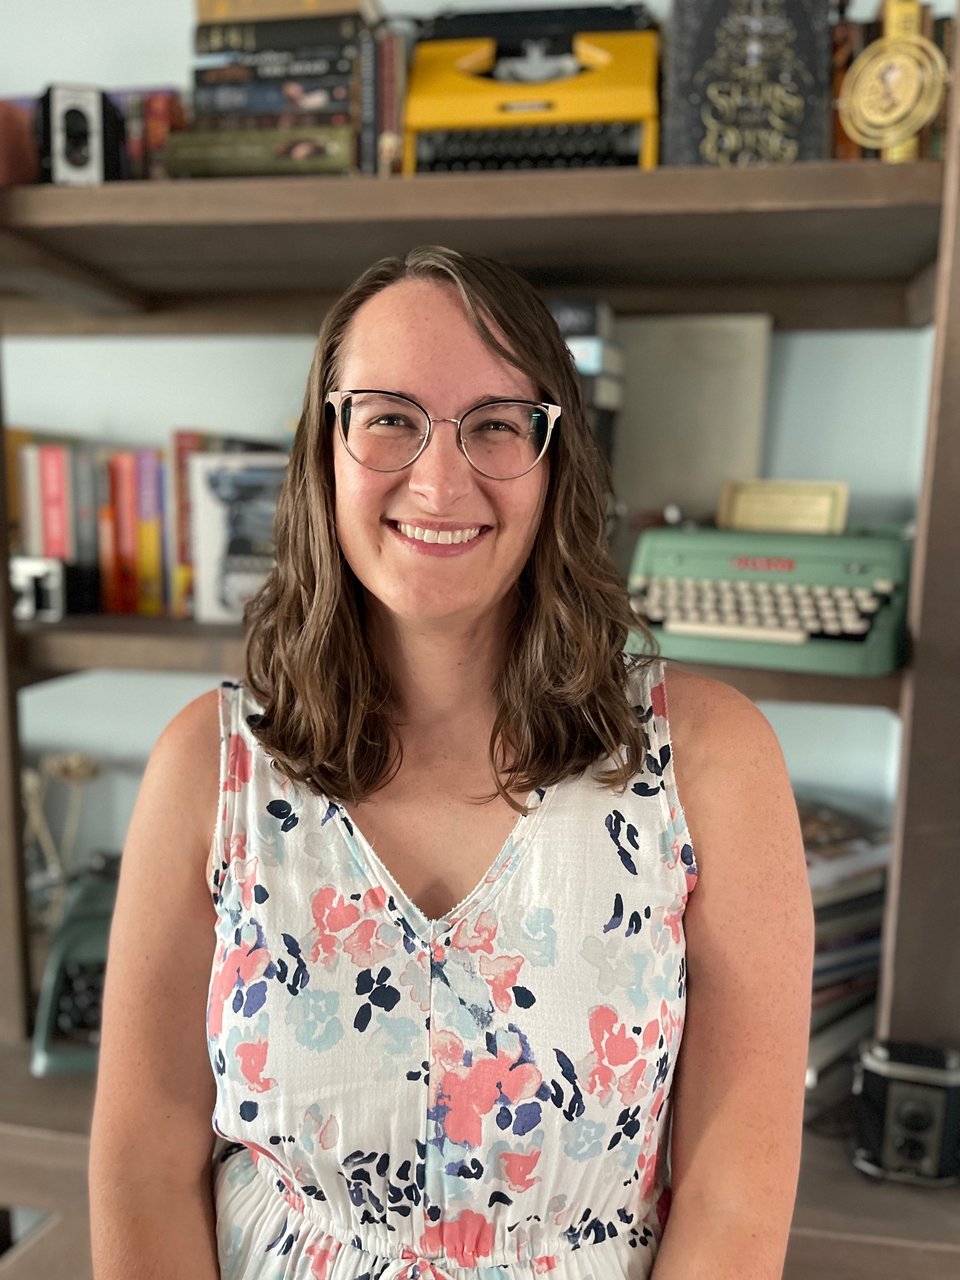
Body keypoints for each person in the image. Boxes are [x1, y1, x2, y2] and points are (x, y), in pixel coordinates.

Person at [88, 246, 813, 1280]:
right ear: (323, 449)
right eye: (388, 417)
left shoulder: (710, 759)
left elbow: (736, 1201)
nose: (439, 477)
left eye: (495, 424)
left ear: (555, 458)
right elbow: (143, 1170)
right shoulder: (205, 770)